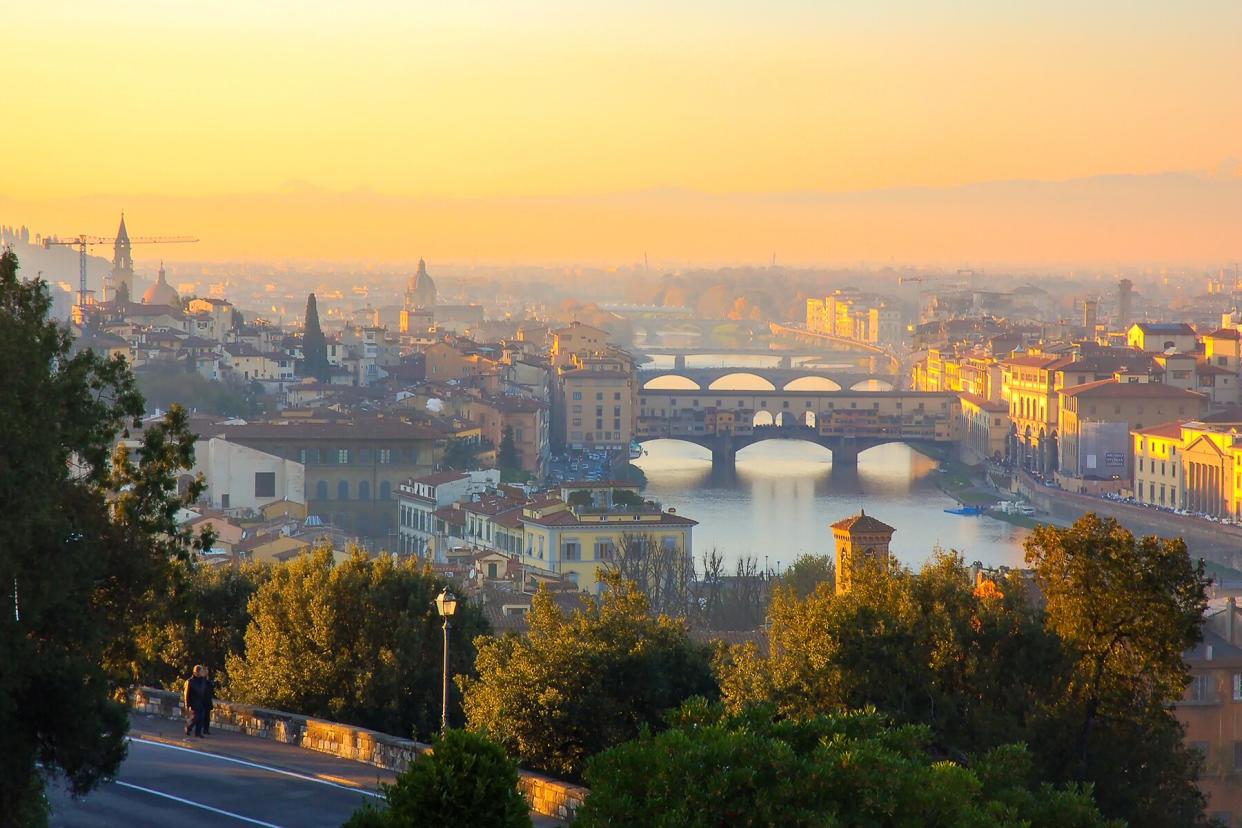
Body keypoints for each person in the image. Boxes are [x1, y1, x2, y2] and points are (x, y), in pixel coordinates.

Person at [183, 665, 208, 738]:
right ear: (196, 672)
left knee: (201, 718)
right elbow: (186, 695)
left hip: (201, 702)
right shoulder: (190, 681)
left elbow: (204, 690)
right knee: (195, 718)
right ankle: (188, 727)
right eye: (201, 671)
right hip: (193, 703)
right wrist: (187, 705)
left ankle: (198, 733)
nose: (202, 673)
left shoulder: (202, 680)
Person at [202, 666, 215, 736]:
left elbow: (211, 691)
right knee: (200, 716)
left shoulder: (208, 681)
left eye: (207, 670)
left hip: (207, 701)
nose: (207, 671)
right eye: (205, 670)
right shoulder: (201, 680)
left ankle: (206, 729)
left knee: (207, 716)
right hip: (201, 701)